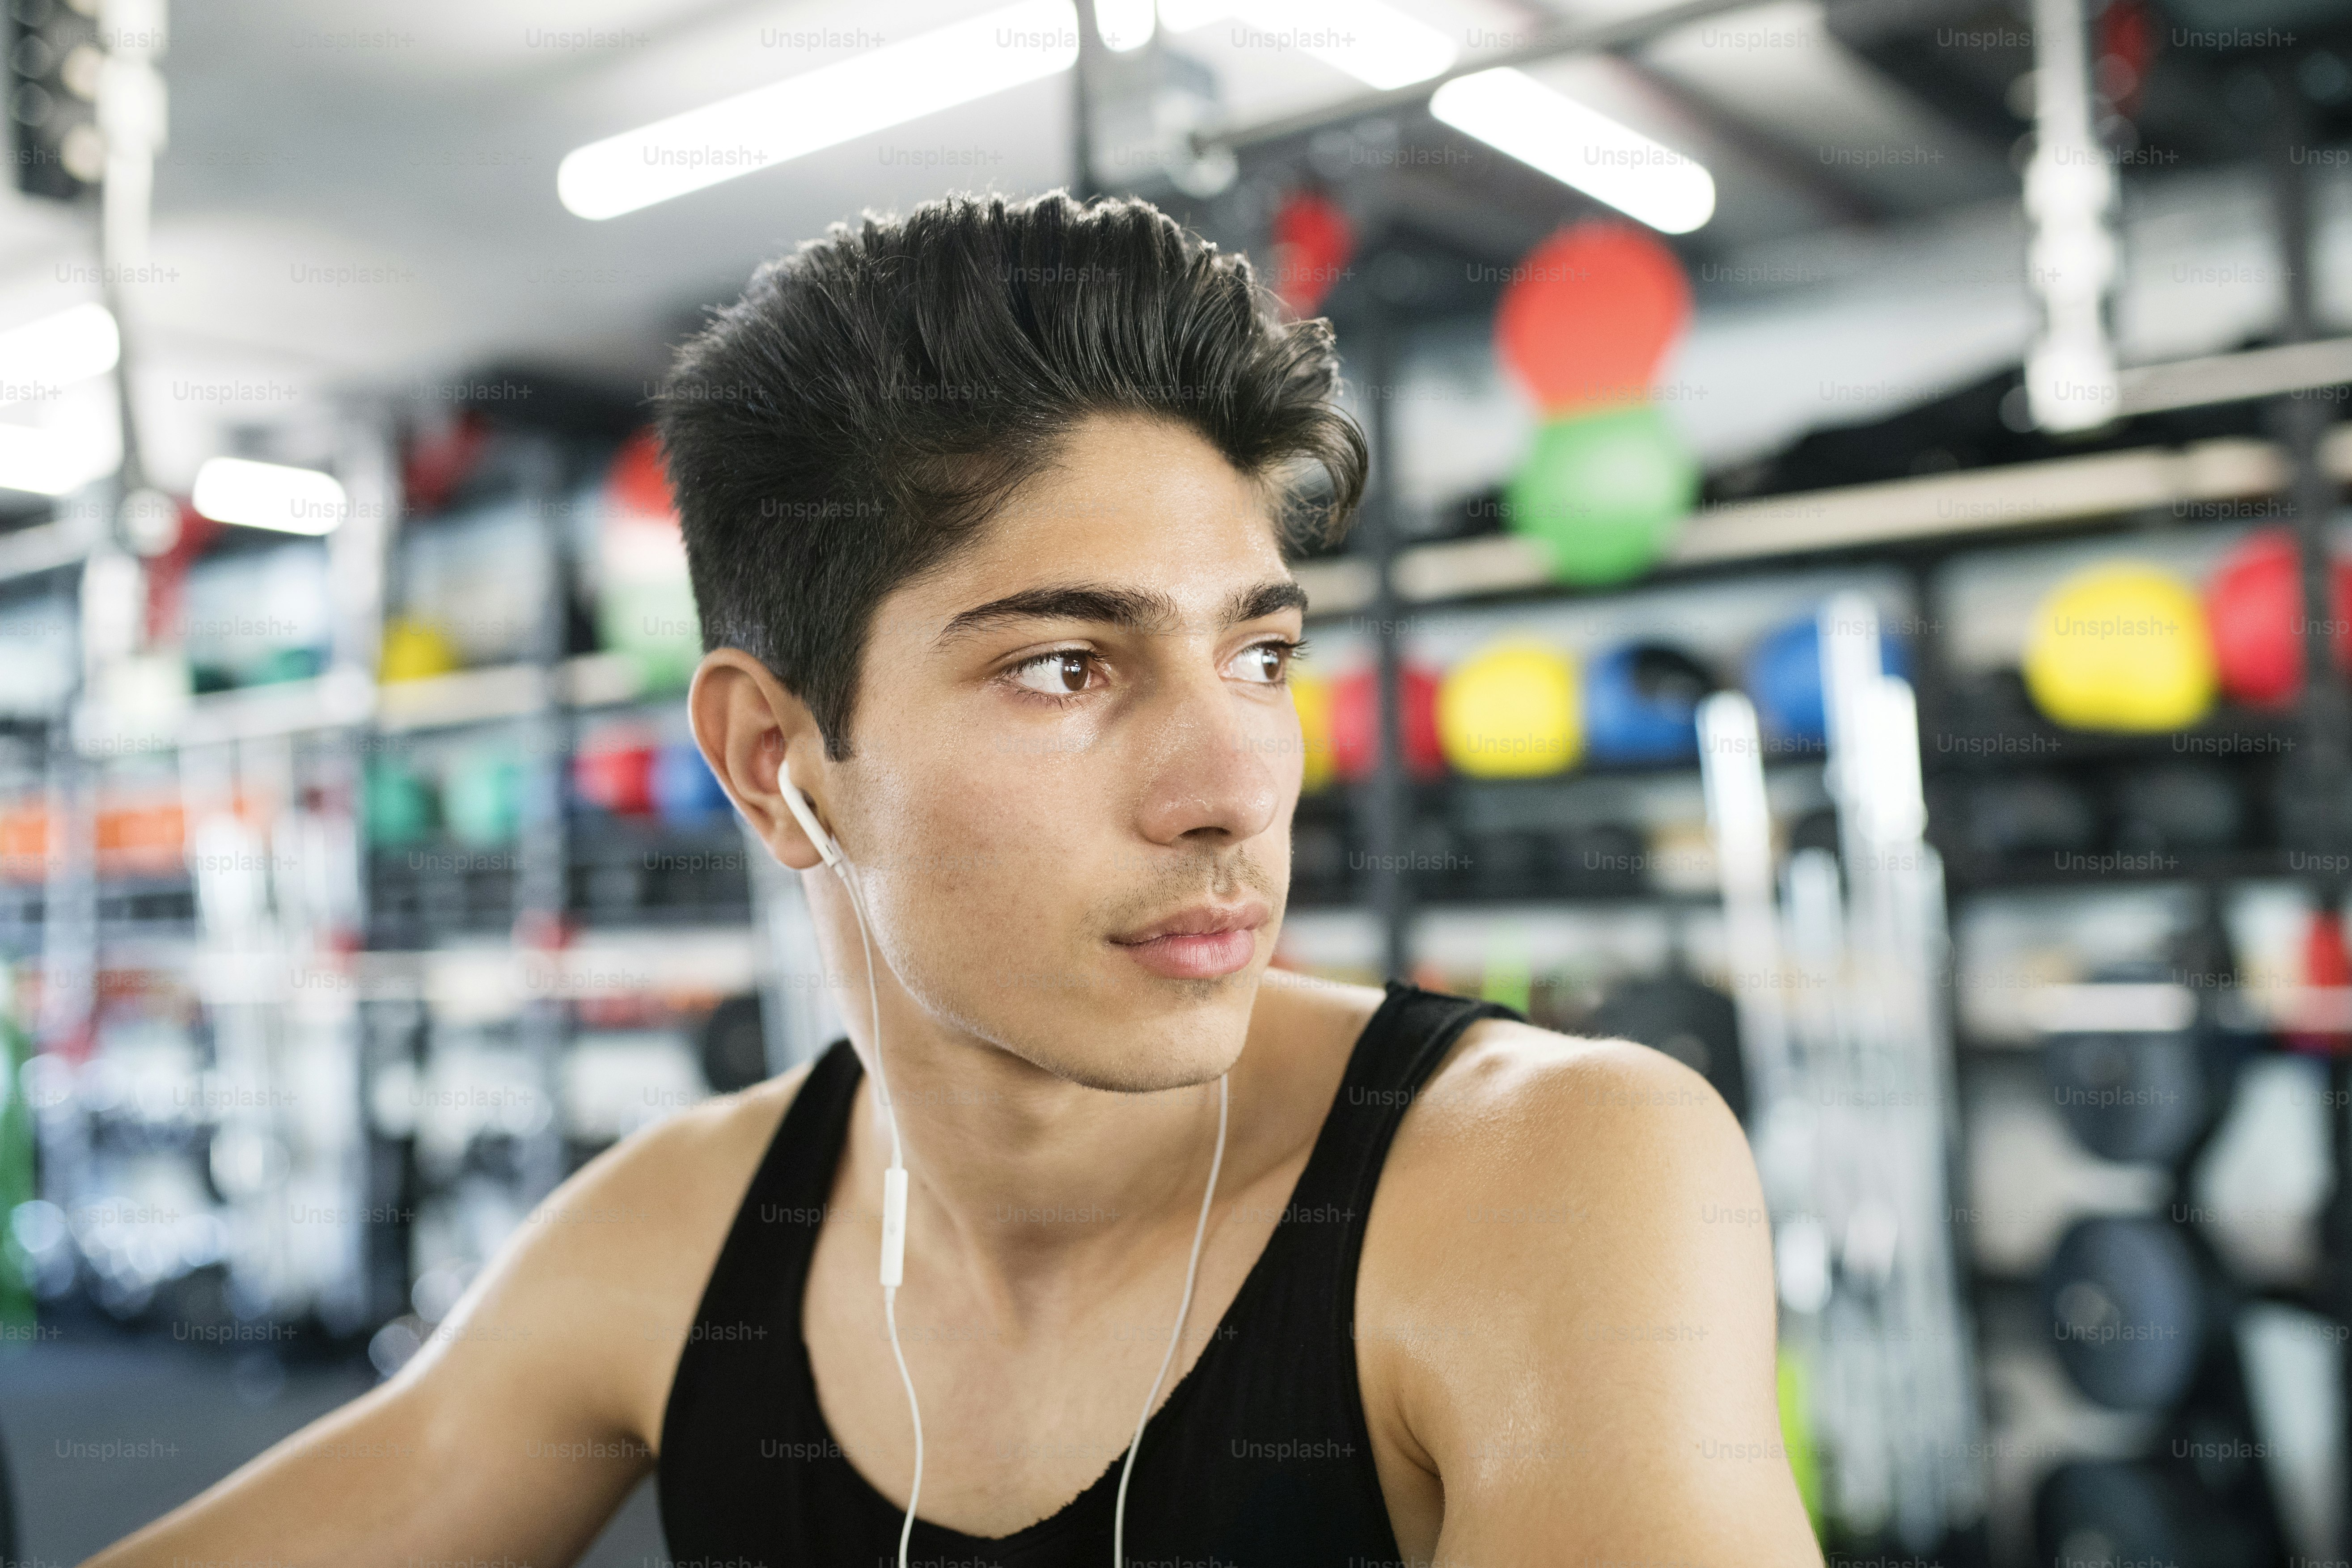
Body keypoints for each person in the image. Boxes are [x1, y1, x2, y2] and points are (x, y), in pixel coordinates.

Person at [85, 192, 1817, 1567]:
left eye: (1261, 657)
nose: (1234, 788)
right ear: (774, 760)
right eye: (1066, 666)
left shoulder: (1545, 1169)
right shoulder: (680, 1238)